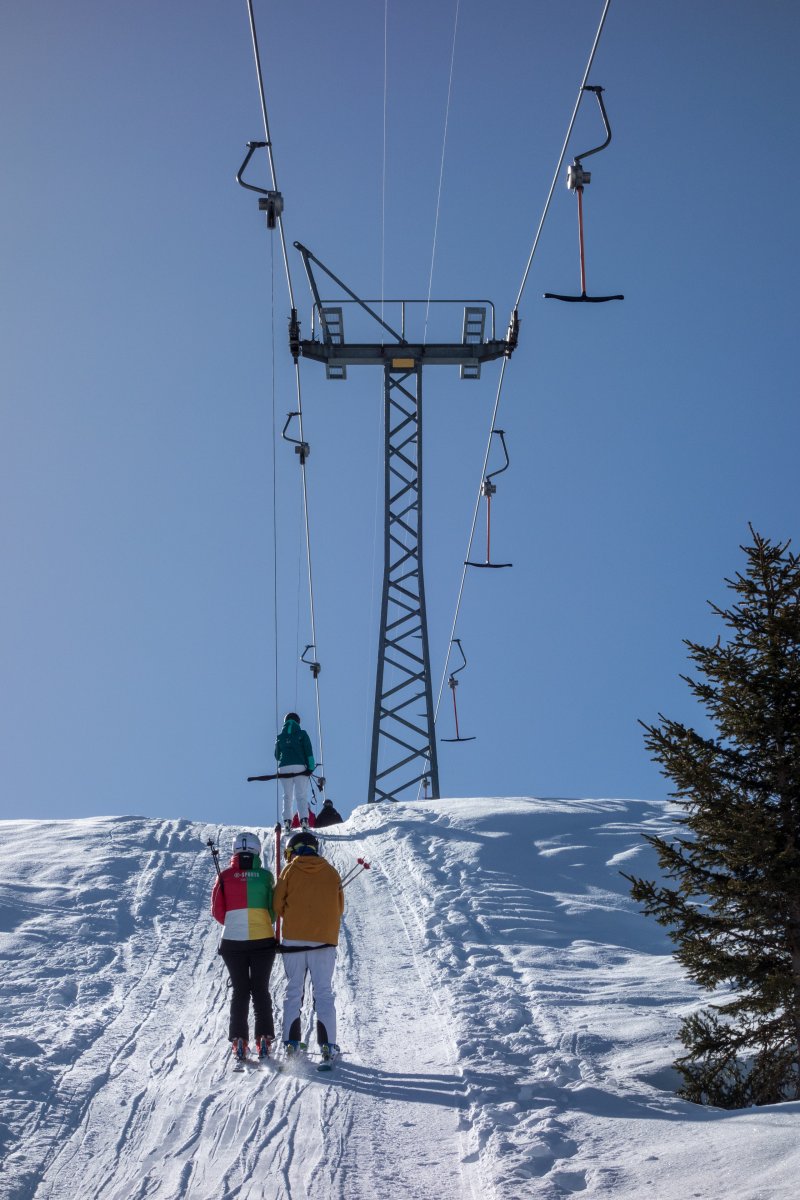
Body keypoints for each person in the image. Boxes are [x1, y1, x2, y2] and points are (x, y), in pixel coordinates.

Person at [272, 830, 344, 1063]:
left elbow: (277, 904)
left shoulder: (290, 870)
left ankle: (291, 1044)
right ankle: (328, 1046)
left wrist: (293, 916)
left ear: (293, 850)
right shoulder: (332, 872)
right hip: (323, 943)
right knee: (323, 992)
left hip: (293, 941)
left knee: (294, 991)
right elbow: (340, 907)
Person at [211, 831, 277, 1062]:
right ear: (258, 850)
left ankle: (239, 1039)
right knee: (261, 990)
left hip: (232, 942)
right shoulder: (266, 877)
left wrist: (234, 922)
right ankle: (264, 1039)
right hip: (263, 940)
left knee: (240, 991)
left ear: (234, 850)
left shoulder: (224, 875)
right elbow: (273, 911)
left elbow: (218, 912)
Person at [275, 712, 315, 834]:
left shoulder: (280, 736)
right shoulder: (302, 734)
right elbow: (308, 751)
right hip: (299, 767)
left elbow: (277, 755)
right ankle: (304, 821)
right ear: (298, 722)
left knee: (287, 796)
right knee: (301, 795)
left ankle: (287, 822)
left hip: (284, 768)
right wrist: (310, 768)